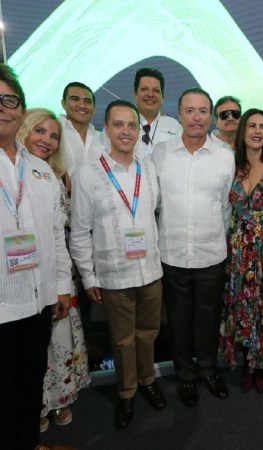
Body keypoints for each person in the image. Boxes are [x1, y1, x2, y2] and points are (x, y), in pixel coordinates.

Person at [70, 100, 165, 429]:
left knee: (149, 333)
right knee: (123, 339)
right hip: (114, 274)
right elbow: (79, 231)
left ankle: (148, 380)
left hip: (150, 270)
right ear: (107, 130)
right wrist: (88, 276)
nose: (126, 131)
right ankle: (126, 392)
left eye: (131, 125)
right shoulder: (89, 173)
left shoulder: (148, 169)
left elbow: (154, 213)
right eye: (118, 124)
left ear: (138, 131)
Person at [0, 65, 73, 450]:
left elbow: (56, 234)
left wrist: (61, 287)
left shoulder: (41, 170)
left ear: (20, 110)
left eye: (9, 100)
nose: (2, 107)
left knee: (29, 383)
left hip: (38, 300)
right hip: (2, 304)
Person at [152, 87, 235, 408]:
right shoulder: (161, 153)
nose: (196, 117)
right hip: (172, 254)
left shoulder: (224, 155)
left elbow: (225, 205)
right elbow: (155, 203)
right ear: (179, 114)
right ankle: (186, 375)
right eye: (190, 111)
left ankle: (208, 370)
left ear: (210, 116)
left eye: (202, 111)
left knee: (208, 320)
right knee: (178, 321)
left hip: (210, 254)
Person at [16, 109, 91, 433]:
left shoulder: (57, 175)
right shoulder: (8, 171)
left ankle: (59, 398)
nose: (46, 140)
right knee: (25, 351)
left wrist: (64, 283)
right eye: (39, 131)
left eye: (53, 135)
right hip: (18, 276)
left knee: (58, 341)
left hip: (56, 273)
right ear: (23, 129)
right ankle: (34, 406)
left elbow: (62, 231)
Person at [219, 108, 263, 393]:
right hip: (237, 252)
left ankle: (261, 364)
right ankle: (246, 361)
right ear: (243, 131)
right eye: (252, 126)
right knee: (242, 307)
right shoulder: (231, 166)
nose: (257, 131)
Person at [133, 67, 182, 158]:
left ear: (163, 96)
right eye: (144, 89)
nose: (150, 94)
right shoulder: (122, 124)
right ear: (135, 93)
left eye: (156, 90)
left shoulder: (174, 126)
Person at [60, 81, 104, 180]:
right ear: (63, 103)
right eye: (75, 99)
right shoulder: (54, 134)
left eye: (87, 101)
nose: (82, 105)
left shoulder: (103, 138)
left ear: (94, 108)